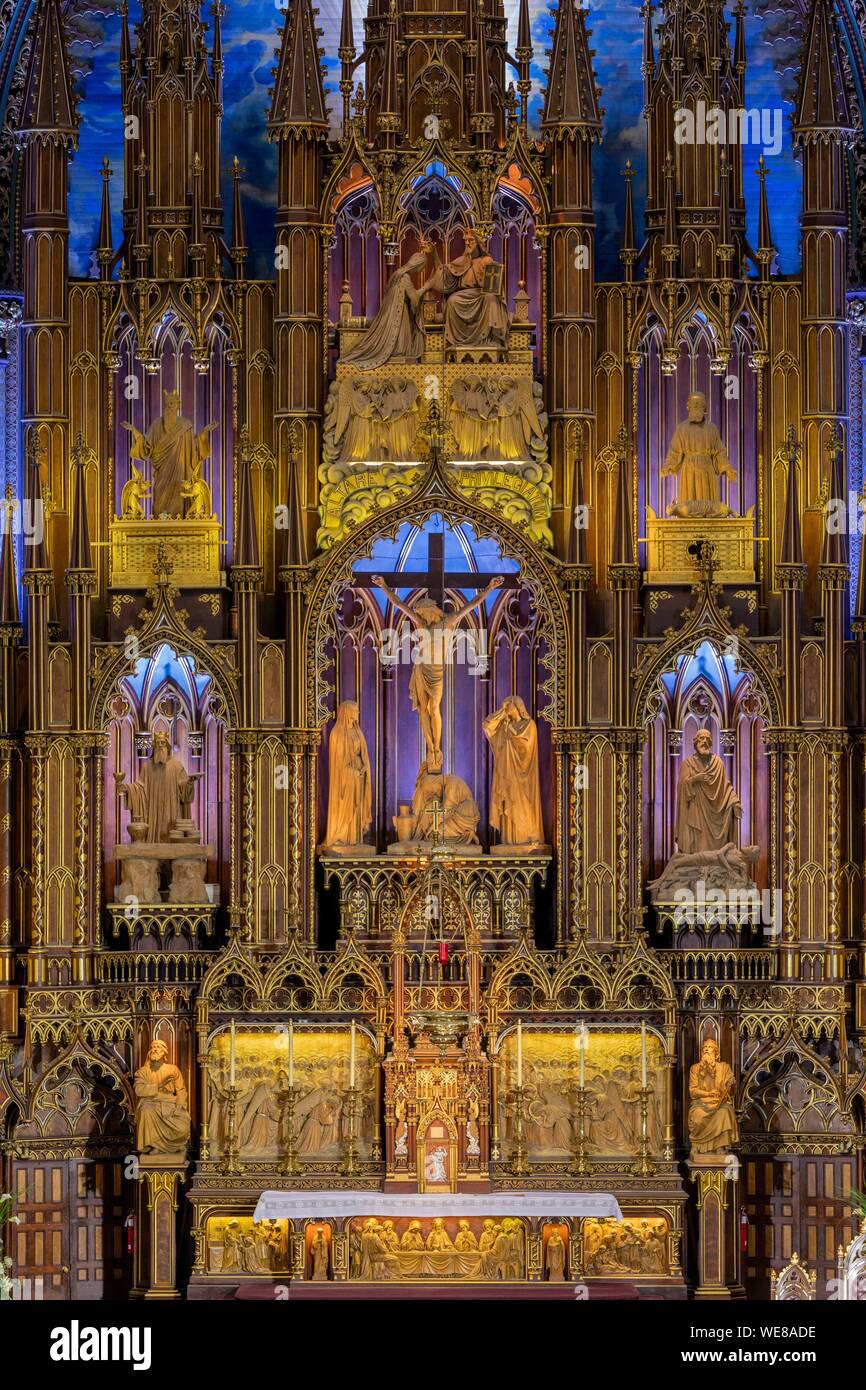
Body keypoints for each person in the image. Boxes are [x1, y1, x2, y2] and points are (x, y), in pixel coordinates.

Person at [371, 575, 502, 767]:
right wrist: (383, 586)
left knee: (434, 708)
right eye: (420, 614)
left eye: (424, 613)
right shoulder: (420, 624)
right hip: (421, 669)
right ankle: (431, 746)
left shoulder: (448, 622)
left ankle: (437, 747)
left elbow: (472, 605)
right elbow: (398, 604)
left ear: (432, 611)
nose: (422, 616)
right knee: (423, 709)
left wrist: (490, 588)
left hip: (437, 672)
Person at [123, 390, 216, 519]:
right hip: (162, 477)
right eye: (167, 404)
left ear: (178, 405)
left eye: (172, 404)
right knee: (160, 507)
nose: (169, 407)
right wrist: (135, 432)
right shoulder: (156, 425)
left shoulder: (186, 426)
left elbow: (195, 449)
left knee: (180, 503)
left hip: (181, 475)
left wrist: (203, 434)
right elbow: (146, 445)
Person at [418, 230, 509, 349]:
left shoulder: (486, 261)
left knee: (490, 297)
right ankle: (458, 342)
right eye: (465, 241)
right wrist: (434, 253)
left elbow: (493, 285)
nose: (467, 244)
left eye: (471, 240)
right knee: (452, 301)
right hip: (464, 294)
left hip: (481, 295)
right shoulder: (461, 261)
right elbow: (443, 275)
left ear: (478, 243)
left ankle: (489, 339)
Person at [340, 251, 428, 371]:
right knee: (400, 346)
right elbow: (414, 299)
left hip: (394, 314)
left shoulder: (397, 274)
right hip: (400, 315)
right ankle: (398, 352)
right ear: (417, 264)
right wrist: (427, 287)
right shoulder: (404, 277)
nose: (422, 271)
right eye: (422, 267)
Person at [115, 729, 199, 843]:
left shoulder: (176, 766)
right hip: (153, 811)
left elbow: (183, 788)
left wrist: (189, 783)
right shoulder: (147, 767)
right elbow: (140, 788)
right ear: (153, 746)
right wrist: (127, 789)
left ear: (168, 746)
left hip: (172, 811)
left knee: (172, 834)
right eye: (157, 743)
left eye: (163, 743)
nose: (160, 746)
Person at [661, 391, 736, 515]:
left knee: (708, 506)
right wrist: (668, 466)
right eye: (693, 404)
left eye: (699, 403)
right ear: (688, 406)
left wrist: (727, 468)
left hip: (707, 470)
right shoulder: (682, 428)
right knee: (688, 506)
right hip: (688, 471)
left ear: (704, 407)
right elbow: (674, 451)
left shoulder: (712, 428)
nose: (695, 406)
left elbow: (720, 451)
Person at [483, 695, 545, 846]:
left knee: (521, 803)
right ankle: (509, 840)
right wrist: (500, 714)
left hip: (523, 775)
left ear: (517, 707)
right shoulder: (504, 726)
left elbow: (526, 747)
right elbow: (487, 725)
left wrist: (510, 731)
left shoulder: (529, 725)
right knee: (507, 800)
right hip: (506, 773)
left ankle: (525, 837)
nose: (505, 709)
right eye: (504, 706)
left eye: (507, 706)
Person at [675, 729, 742, 854]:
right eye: (701, 738)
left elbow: (725, 786)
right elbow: (682, 789)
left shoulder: (718, 763)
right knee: (697, 850)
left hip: (716, 813)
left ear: (711, 742)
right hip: (697, 812)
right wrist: (695, 779)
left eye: (707, 739)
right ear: (695, 742)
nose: (704, 741)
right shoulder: (687, 764)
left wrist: (734, 802)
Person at [323, 701, 372, 849]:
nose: (357, 713)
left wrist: (364, 768)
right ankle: (342, 836)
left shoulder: (358, 732)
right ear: (347, 712)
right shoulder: (336, 734)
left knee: (357, 807)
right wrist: (352, 772)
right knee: (345, 808)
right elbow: (338, 765)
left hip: (359, 776)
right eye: (354, 710)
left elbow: (363, 755)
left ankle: (354, 839)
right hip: (345, 779)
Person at [133, 1039, 191, 1154]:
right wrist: (159, 1086)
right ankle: (154, 1145)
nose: (155, 1049)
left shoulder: (172, 1069)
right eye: (153, 1047)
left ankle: (176, 1145)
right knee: (146, 1111)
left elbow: (181, 1090)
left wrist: (179, 1106)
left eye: (158, 1047)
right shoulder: (143, 1072)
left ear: (164, 1052)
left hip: (170, 1102)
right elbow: (138, 1090)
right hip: (151, 1102)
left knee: (183, 1126)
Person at [688, 1039, 739, 1155]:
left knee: (725, 1112)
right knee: (698, 1116)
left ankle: (720, 1146)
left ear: (716, 1054)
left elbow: (731, 1091)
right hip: (701, 1103)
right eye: (704, 1047)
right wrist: (708, 1094)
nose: (706, 1049)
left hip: (719, 1103)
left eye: (710, 1047)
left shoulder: (724, 1067)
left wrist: (731, 1084)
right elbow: (693, 1091)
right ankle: (697, 1145)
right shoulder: (695, 1068)